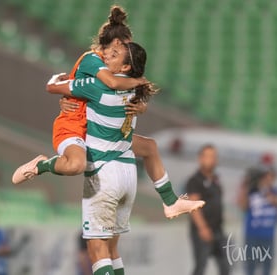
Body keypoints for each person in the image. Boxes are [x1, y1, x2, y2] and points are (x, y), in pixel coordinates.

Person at [12, 5, 204, 219]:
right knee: (77, 164)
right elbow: (109, 84)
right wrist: (140, 81)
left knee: (149, 147)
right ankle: (42, 164)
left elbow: (127, 94)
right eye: (125, 47)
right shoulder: (94, 61)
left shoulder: (116, 70)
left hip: (96, 127)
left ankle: (171, 202)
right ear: (115, 44)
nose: (127, 53)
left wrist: (141, 105)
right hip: (74, 126)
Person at [46, 40, 157, 275]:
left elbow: (57, 86)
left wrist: (61, 88)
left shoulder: (98, 84)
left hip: (104, 170)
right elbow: (129, 93)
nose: (107, 55)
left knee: (97, 249)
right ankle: (169, 196)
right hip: (126, 169)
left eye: (114, 53)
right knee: (112, 249)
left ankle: (43, 165)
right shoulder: (134, 89)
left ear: (126, 66)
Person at [186, 144, 229, 275]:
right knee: (200, 267)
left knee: (225, 266)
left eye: (214, 156)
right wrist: (203, 228)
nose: (212, 159)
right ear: (201, 158)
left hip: (218, 230)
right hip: (203, 231)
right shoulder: (195, 181)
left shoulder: (216, 180)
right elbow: (194, 206)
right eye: (208, 156)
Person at [237, 163, 277, 275]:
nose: (267, 179)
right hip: (252, 235)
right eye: (265, 176)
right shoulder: (252, 192)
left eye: (270, 176)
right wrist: (245, 185)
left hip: (268, 236)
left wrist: (268, 193)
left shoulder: (275, 192)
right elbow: (242, 205)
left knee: (267, 267)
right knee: (250, 267)